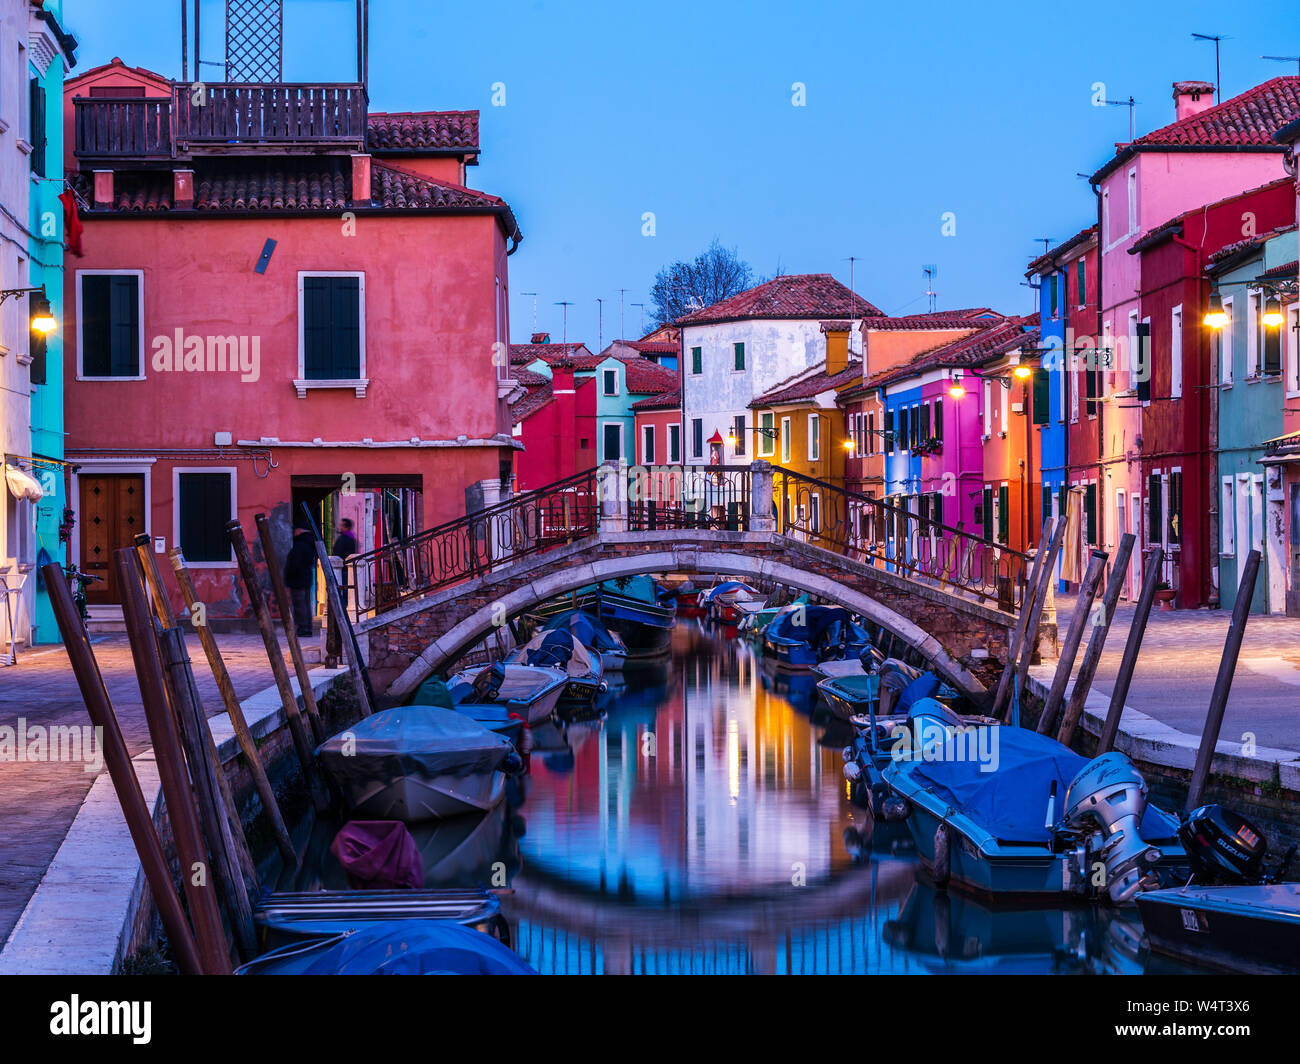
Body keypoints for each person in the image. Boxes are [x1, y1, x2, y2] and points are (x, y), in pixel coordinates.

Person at [283, 524, 318, 638]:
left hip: (298, 579)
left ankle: (303, 628)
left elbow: (295, 563)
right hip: (305, 577)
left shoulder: (300, 545)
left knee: (300, 605)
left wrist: (290, 575)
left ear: (299, 531)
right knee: (305, 604)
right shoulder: (308, 544)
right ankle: (306, 627)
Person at [331, 518, 358, 610]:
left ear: (346, 527)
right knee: (346, 589)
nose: (340, 527)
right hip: (346, 568)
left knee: (342, 589)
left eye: (342, 525)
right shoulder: (351, 538)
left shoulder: (343, 539)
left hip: (342, 568)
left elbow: (338, 553)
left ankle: (342, 609)